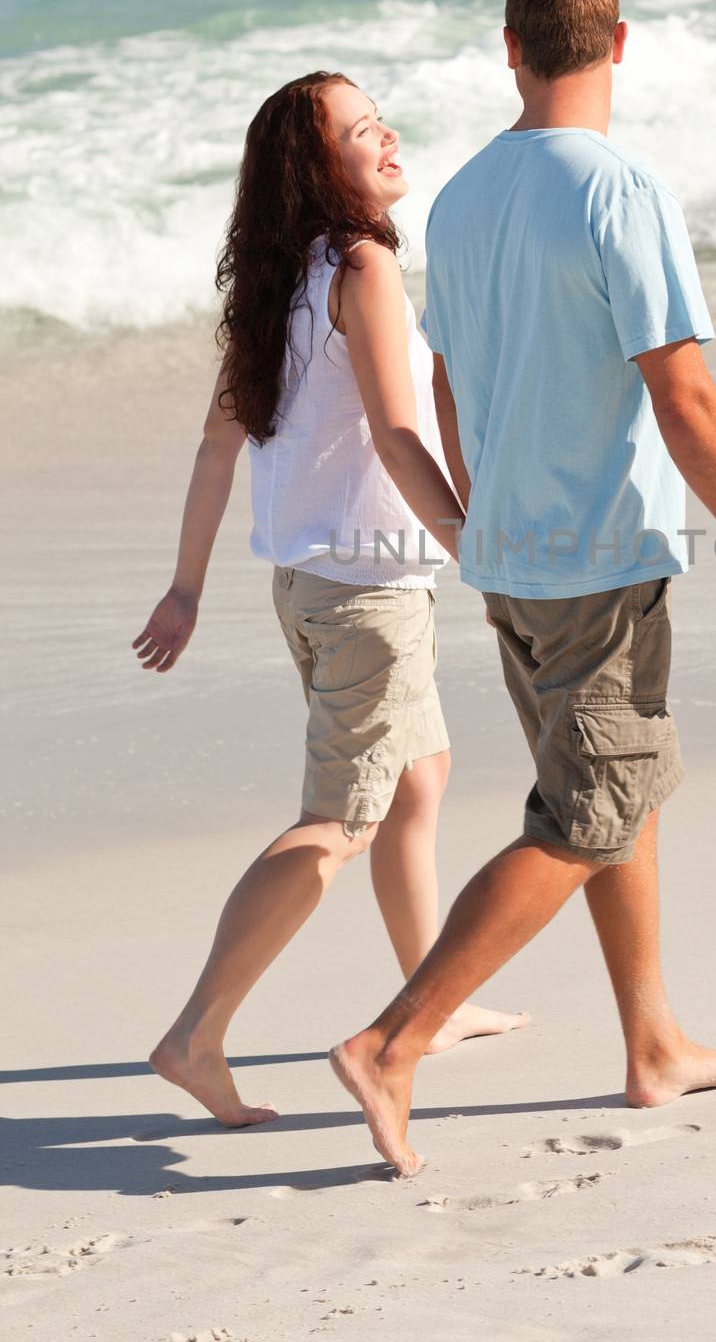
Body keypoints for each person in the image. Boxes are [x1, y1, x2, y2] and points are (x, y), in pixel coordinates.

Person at [329, 0, 716, 1177]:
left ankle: (652, 1043)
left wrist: (488, 507)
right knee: (587, 813)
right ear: (619, 43)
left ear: (510, 48)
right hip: (597, 553)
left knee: (614, 787)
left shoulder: (464, 194)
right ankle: (393, 1040)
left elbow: (442, 375)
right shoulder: (621, 187)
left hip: (515, 557)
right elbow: (682, 387)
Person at [132, 71, 525, 1128]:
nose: (385, 136)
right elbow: (401, 433)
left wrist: (185, 588)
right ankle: (194, 1035)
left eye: (379, 118)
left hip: (306, 584)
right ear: (320, 170)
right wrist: (474, 546)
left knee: (420, 779)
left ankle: (429, 1001)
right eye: (360, 133)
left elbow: (219, 445)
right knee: (335, 823)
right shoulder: (363, 263)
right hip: (367, 595)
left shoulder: (275, 280)